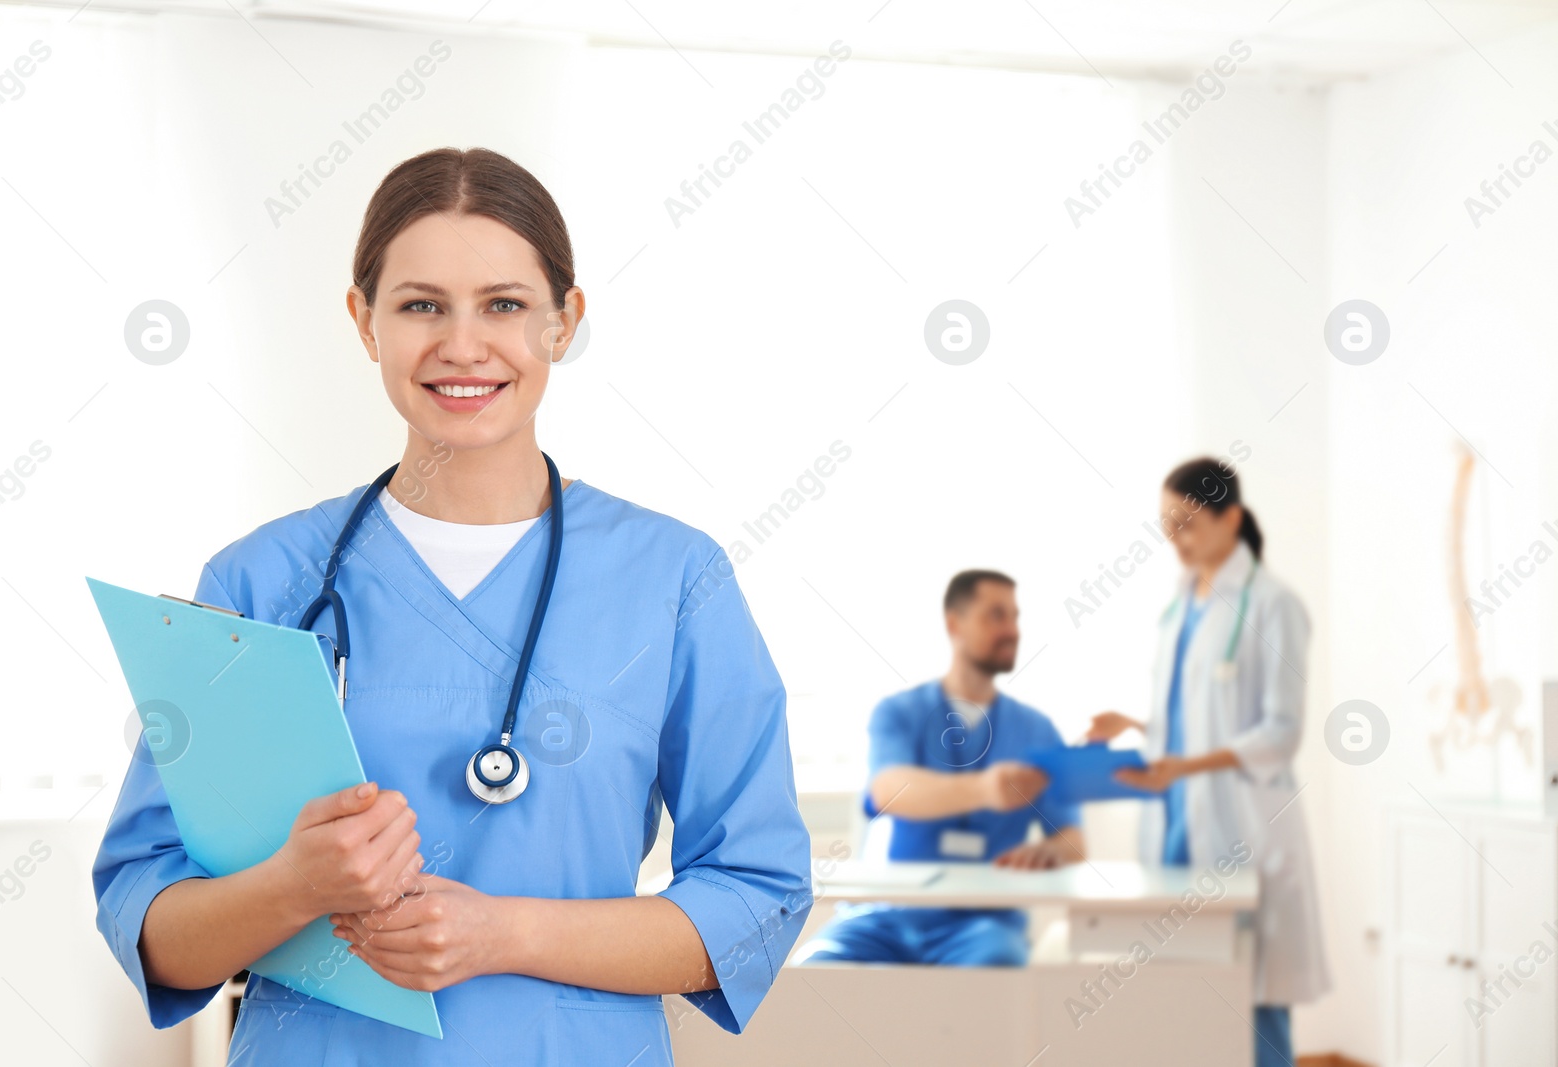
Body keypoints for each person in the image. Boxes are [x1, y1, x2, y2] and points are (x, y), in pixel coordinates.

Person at [90, 147, 813, 1065]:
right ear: (365, 321)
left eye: (505, 305)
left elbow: (756, 897)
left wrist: (503, 933)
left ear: (565, 321)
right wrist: (293, 885)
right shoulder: (259, 581)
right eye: (421, 304)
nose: (463, 345)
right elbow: (150, 923)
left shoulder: (674, 580)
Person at [1090, 457, 1330, 1067]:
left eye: (1188, 523)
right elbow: (1193, 716)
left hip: (1242, 826)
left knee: (1254, 998)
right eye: (1167, 525)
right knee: (1181, 992)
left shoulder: (1274, 605)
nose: (1176, 539)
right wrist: (1137, 726)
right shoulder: (1180, 605)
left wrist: (1186, 767)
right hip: (1176, 823)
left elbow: (1280, 733)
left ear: (1232, 519)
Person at [795, 569, 1084, 967]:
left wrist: (1048, 851)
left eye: (1015, 617)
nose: (1012, 630)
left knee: (995, 977)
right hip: (886, 917)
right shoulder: (899, 713)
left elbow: (1073, 840)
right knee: (816, 970)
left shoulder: (1038, 730)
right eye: (996, 615)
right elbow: (887, 790)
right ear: (955, 624)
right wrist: (985, 790)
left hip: (985, 925)